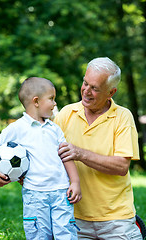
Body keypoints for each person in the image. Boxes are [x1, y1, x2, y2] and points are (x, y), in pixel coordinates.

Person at [54, 57, 143, 239]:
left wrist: (80, 153)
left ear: (111, 92)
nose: (86, 91)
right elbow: (49, 156)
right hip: (73, 215)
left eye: (95, 88)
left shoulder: (123, 117)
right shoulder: (66, 114)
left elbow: (121, 166)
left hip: (116, 218)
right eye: (85, 83)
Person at [0, 77, 82, 240]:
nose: (55, 104)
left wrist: (75, 182)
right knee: (38, 235)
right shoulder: (17, 128)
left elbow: (66, 156)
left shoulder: (55, 129)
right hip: (34, 195)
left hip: (61, 192)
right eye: (51, 99)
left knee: (66, 234)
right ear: (36, 101)